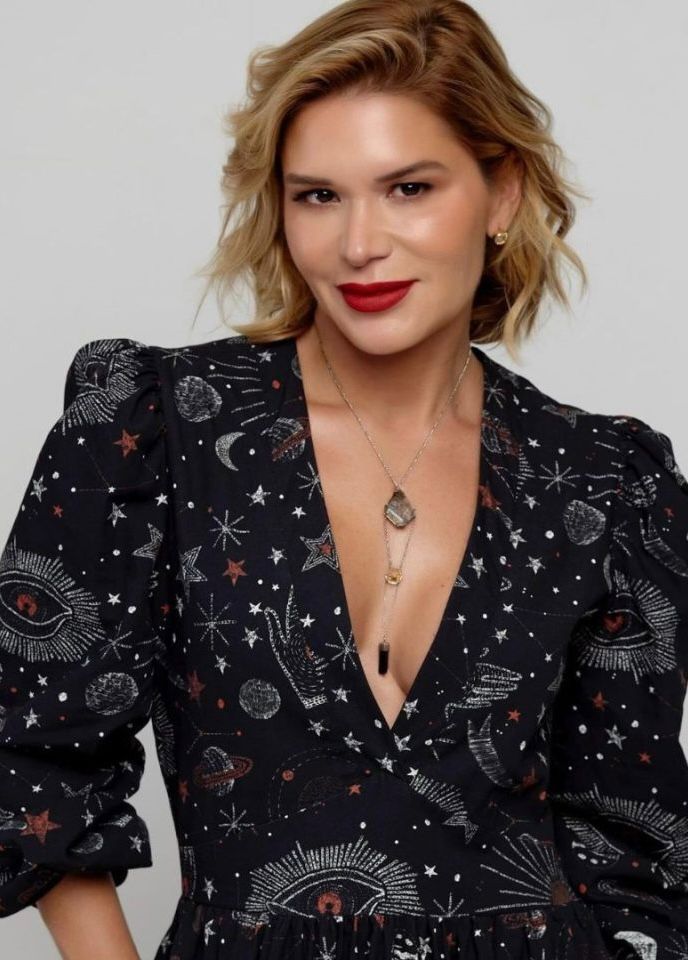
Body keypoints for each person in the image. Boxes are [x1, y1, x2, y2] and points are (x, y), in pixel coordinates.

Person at [1, 1, 687, 958]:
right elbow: (33, 758)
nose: (361, 243)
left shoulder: (605, 481)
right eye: (319, 195)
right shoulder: (156, 429)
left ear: (502, 194)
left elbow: (634, 850)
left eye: (409, 188)